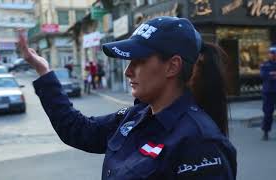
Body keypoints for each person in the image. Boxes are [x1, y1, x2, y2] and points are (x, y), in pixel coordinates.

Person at [18, 16, 237, 179]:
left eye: (139, 61)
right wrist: (45, 73)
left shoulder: (201, 144)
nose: (128, 71)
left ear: (173, 66)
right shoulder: (137, 115)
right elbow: (78, 130)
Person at [260, 46, 276, 141]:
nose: (273, 55)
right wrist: (272, 75)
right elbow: (263, 75)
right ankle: (266, 132)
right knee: (268, 113)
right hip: (268, 92)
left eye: (274, 53)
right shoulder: (265, 64)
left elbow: (268, 75)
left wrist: (271, 74)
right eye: (271, 53)